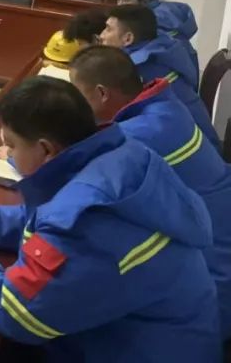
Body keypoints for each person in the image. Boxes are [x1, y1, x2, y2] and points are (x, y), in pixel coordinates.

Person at [0, 77, 220, 362]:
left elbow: (17, 312)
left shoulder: (85, 219)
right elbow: (50, 216)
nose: (9, 155)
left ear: (46, 150)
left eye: (12, 146)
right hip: (163, 336)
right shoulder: (124, 156)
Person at [70, 45, 231, 339]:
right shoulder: (166, 108)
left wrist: (22, 153)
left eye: (76, 95)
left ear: (102, 93)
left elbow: (70, 175)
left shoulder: (138, 135)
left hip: (212, 291)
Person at [100, 4, 218, 146]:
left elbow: (111, 115)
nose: (102, 36)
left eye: (108, 29)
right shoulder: (161, 50)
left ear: (128, 39)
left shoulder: (140, 67)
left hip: (184, 148)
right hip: (197, 142)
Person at [118, 0, 200, 77]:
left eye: (125, 0)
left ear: (145, 2)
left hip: (165, 79)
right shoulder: (169, 12)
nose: (120, 5)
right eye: (118, 0)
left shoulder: (152, 21)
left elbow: (134, 55)